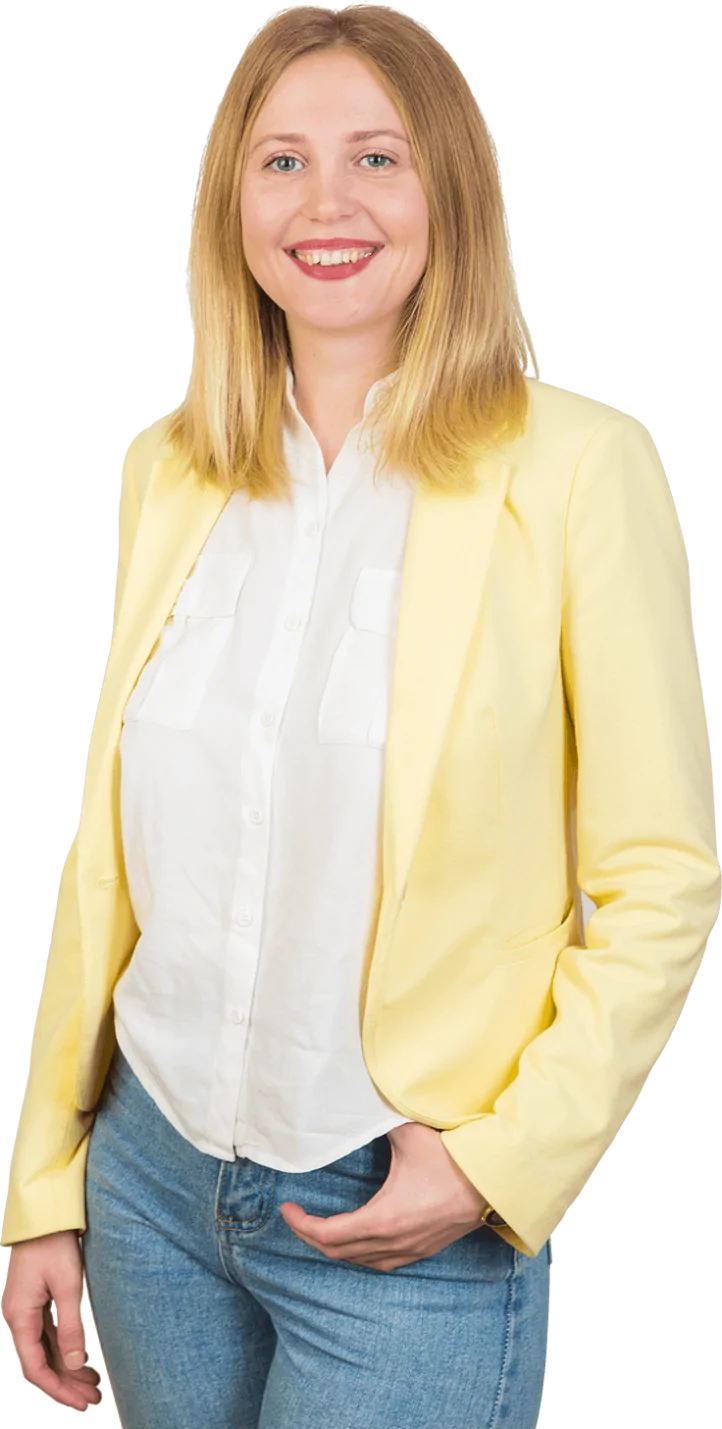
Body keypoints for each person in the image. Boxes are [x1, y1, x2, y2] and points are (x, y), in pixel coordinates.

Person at [2, 5, 720, 1427]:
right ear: (232, 203)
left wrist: (500, 1161)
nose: (325, 204)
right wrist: (46, 1185)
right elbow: (108, 863)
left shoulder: (579, 469)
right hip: (150, 1182)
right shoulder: (170, 473)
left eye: (376, 158)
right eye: (282, 162)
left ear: (448, 191)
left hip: (405, 1203)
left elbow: (658, 878)